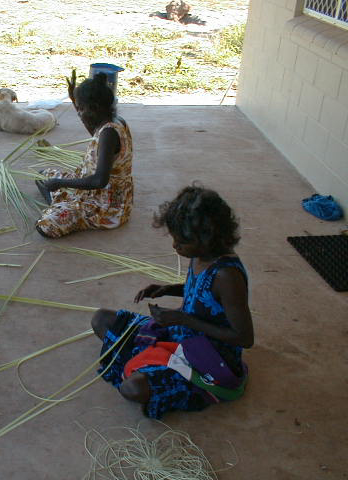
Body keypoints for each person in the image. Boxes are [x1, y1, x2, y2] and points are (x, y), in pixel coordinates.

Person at [91, 185, 254, 419]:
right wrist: (169, 289)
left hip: (207, 357)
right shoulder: (200, 255)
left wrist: (183, 319)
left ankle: (175, 379)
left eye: (181, 241)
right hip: (179, 333)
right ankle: (147, 359)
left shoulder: (227, 276)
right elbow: (202, 294)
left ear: (206, 238)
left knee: (133, 388)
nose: (175, 246)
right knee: (101, 318)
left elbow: (244, 338)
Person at [34, 71, 133, 238]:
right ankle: (63, 204)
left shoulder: (109, 134)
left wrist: (60, 182)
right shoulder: (113, 121)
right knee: (42, 176)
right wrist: (74, 100)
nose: (78, 114)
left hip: (106, 205)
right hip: (92, 189)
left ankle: (63, 207)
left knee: (45, 226)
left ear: (94, 109)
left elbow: (99, 181)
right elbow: (94, 132)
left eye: (80, 109)